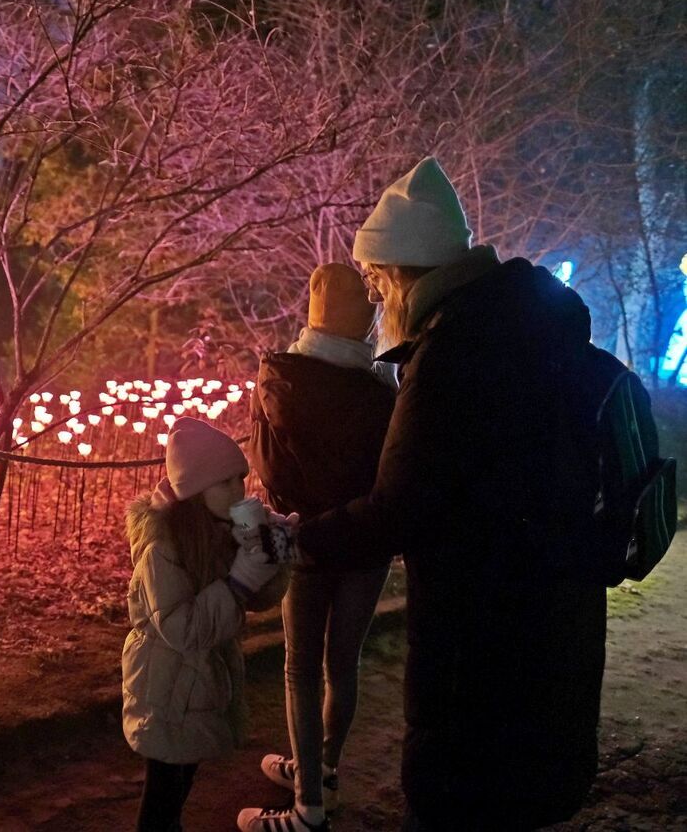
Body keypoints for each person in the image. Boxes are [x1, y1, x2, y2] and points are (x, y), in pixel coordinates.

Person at [267, 156, 607, 831]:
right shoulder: (529, 330)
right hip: (551, 636)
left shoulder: (455, 355)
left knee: (459, 806)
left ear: (400, 275)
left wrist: (293, 538)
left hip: (478, 654)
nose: (375, 299)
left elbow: (400, 507)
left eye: (375, 280)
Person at [237, 263, 397, 832]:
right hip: (365, 542)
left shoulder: (281, 380)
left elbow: (265, 463)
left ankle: (307, 805)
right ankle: (324, 765)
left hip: (303, 538)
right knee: (342, 663)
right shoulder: (383, 387)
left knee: (299, 669)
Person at [123, 417, 293, 832]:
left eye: (240, 479)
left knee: (182, 779)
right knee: (162, 794)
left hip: (199, 683)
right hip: (165, 687)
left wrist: (274, 557)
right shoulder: (163, 549)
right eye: (226, 483)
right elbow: (183, 630)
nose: (240, 491)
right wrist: (238, 578)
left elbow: (257, 602)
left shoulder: (219, 531)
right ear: (196, 492)